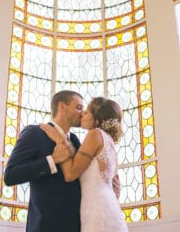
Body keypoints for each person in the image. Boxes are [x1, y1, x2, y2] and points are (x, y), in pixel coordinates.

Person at [40, 97, 129, 232]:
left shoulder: (95, 134)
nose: (83, 114)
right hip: (109, 207)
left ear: (97, 120)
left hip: (96, 209)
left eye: (87, 112)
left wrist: (59, 138)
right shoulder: (109, 142)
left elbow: (70, 174)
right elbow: (114, 185)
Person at [4, 90, 84, 232]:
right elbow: (11, 175)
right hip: (45, 225)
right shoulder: (34, 133)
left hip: (76, 225)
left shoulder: (76, 141)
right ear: (62, 107)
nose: (82, 113)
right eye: (78, 107)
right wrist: (52, 160)